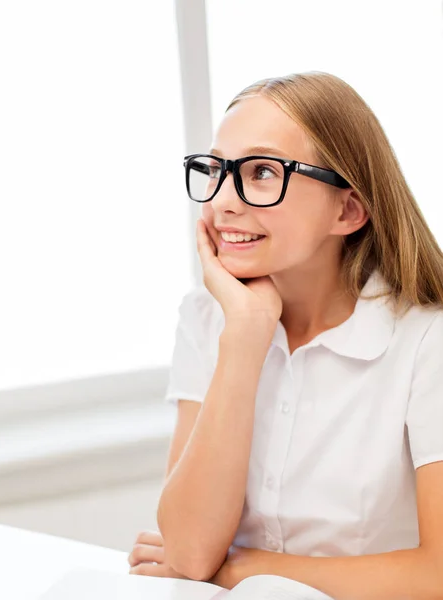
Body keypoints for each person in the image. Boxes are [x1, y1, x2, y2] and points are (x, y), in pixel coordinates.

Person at [128, 71, 443, 598]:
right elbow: (189, 551)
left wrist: (248, 568)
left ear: (347, 210)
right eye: (216, 170)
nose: (222, 201)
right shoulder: (209, 316)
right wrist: (245, 340)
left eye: (261, 172)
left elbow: (437, 573)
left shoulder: (427, 339)